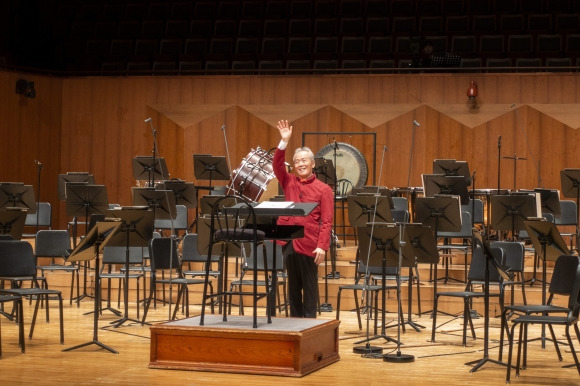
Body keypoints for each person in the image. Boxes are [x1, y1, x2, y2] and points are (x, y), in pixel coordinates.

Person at [273, 119, 334, 318]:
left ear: (312, 163)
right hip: (290, 240)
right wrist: (283, 142)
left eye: (304, 160)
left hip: (310, 243)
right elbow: (277, 165)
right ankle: (294, 326)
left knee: (309, 288)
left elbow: (327, 221)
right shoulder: (288, 180)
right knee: (293, 289)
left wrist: (322, 246)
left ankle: (309, 327)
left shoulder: (324, 190)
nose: (300, 164)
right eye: (297, 161)